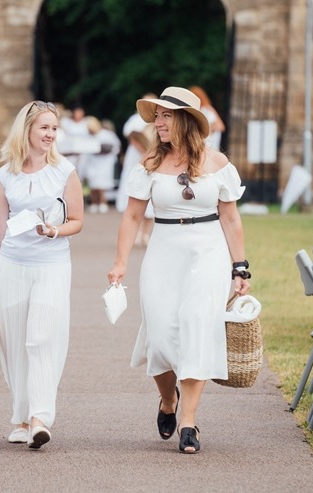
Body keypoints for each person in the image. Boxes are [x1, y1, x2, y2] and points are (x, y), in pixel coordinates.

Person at [107, 86, 250, 454]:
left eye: (165, 115)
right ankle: (167, 400)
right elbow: (133, 216)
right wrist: (120, 262)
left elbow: (231, 219)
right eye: (157, 116)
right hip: (163, 250)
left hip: (208, 252)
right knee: (160, 333)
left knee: (197, 327)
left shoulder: (218, 164)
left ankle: (188, 420)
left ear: (185, 120)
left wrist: (240, 267)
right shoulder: (150, 164)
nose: (158, 122)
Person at [0, 100, 84, 450]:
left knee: (40, 338)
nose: (50, 134)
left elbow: (77, 221)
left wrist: (53, 231)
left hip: (51, 265)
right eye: (43, 128)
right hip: (12, 266)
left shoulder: (65, 171)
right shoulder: (6, 174)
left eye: (53, 128)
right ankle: (19, 416)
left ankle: (40, 418)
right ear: (27, 130)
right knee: (16, 344)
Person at [117, 93, 157, 245]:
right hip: (137, 158)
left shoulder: (157, 120)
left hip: (153, 158)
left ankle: (146, 233)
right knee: (136, 194)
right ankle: (137, 232)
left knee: (151, 196)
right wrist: (145, 151)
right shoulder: (134, 120)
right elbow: (132, 136)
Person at [85, 117, 121, 213]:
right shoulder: (88, 136)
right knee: (93, 184)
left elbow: (116, 147)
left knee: (102, 184)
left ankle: (102, 203)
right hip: (92, 162)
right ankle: (94, 203)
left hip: (104, 163)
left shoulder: (106, 134)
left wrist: (102, 150)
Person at [189, 86, 226, 151]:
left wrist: (209, 129)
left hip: (210, 141)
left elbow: (220, 126)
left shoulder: (208, 109)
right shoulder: (194, 111)